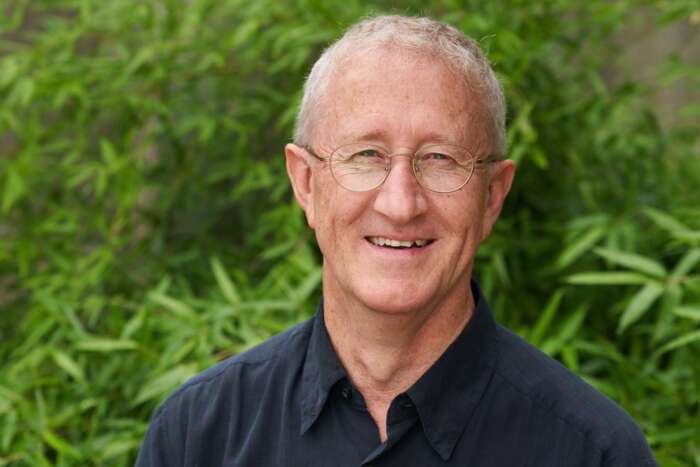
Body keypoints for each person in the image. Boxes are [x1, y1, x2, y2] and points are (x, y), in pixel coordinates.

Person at [135, 15, 657, 466]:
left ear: (493, 195)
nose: (400, 204)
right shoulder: (198, 437)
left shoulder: (594, 454)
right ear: (306, 182)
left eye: (440, 159)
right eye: (366, 156)